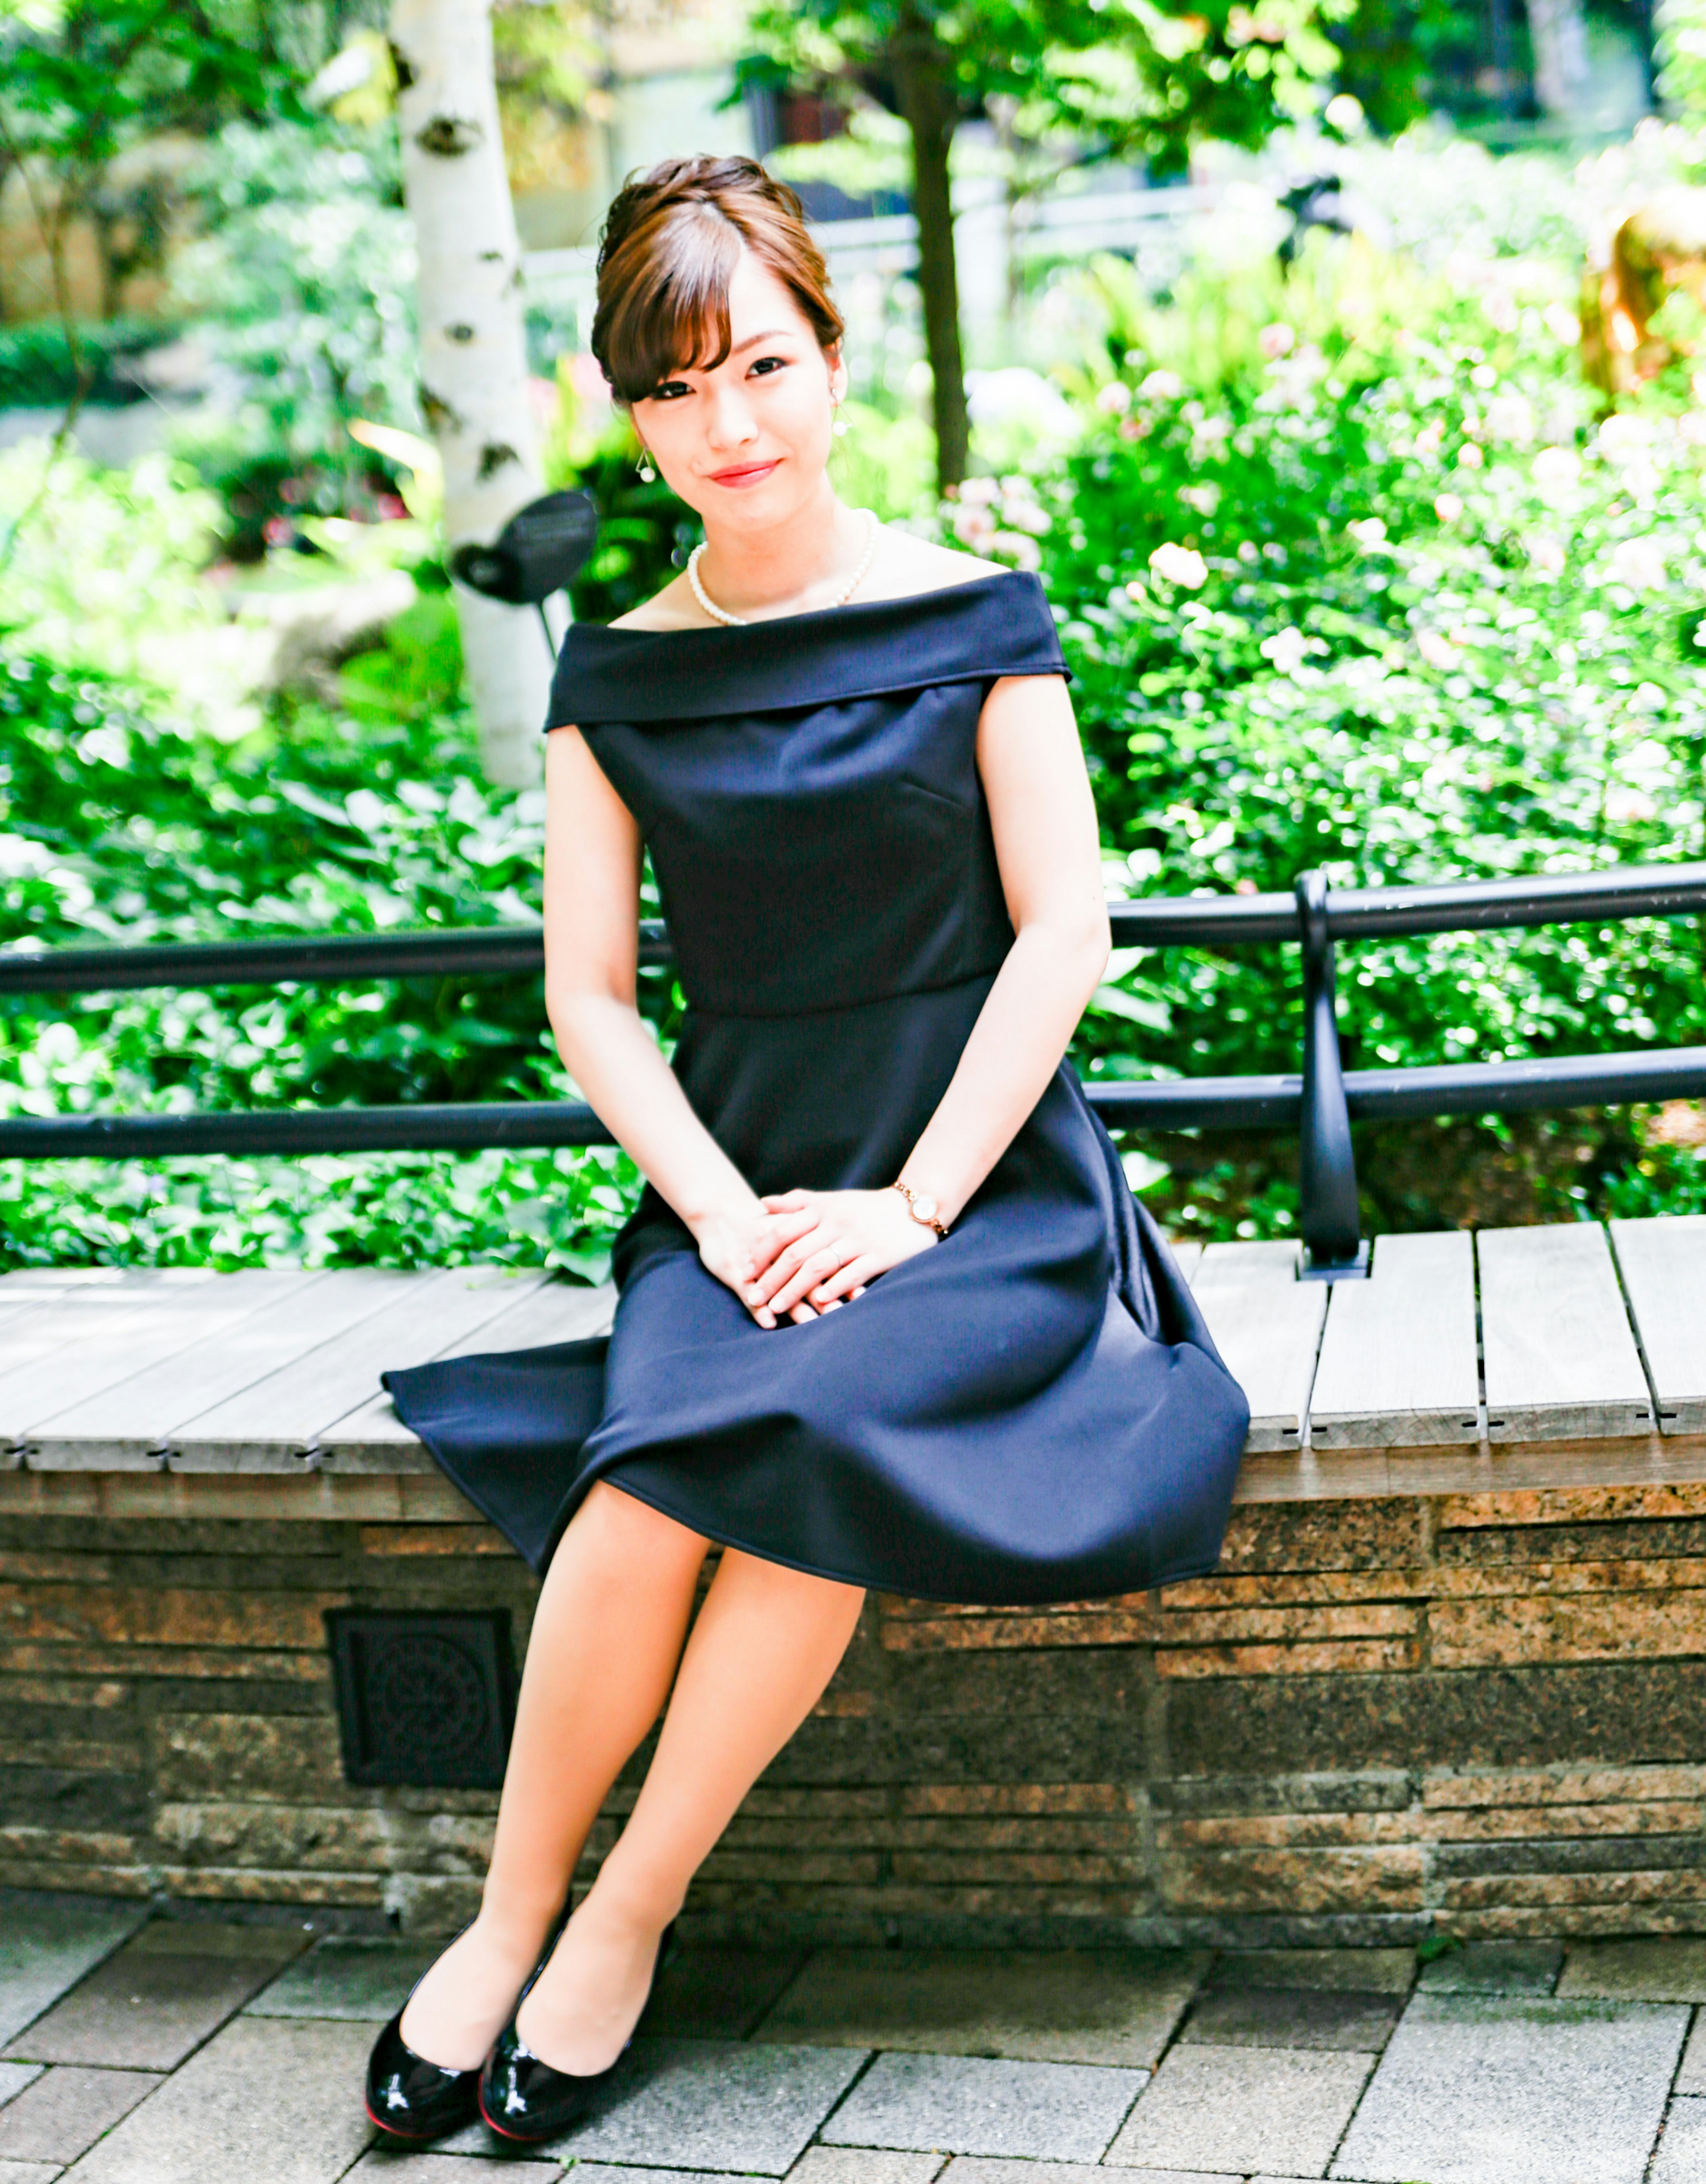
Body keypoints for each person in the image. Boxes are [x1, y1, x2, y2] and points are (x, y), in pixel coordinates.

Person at [367, 155, 1249, 2149]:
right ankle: (509, 1925)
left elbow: (1066, 933)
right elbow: (591, 995)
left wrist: (915, 1205)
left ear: (831, 357)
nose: (728, 427)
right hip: (740, 1174)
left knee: (806, 1446)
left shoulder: (976, 621)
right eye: (674, 392)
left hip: (980, 1185)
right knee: (655, 1471)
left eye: (760, 366)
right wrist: (722, 1214)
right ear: (632, 412)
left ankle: (630, 1918)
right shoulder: (616, 680)